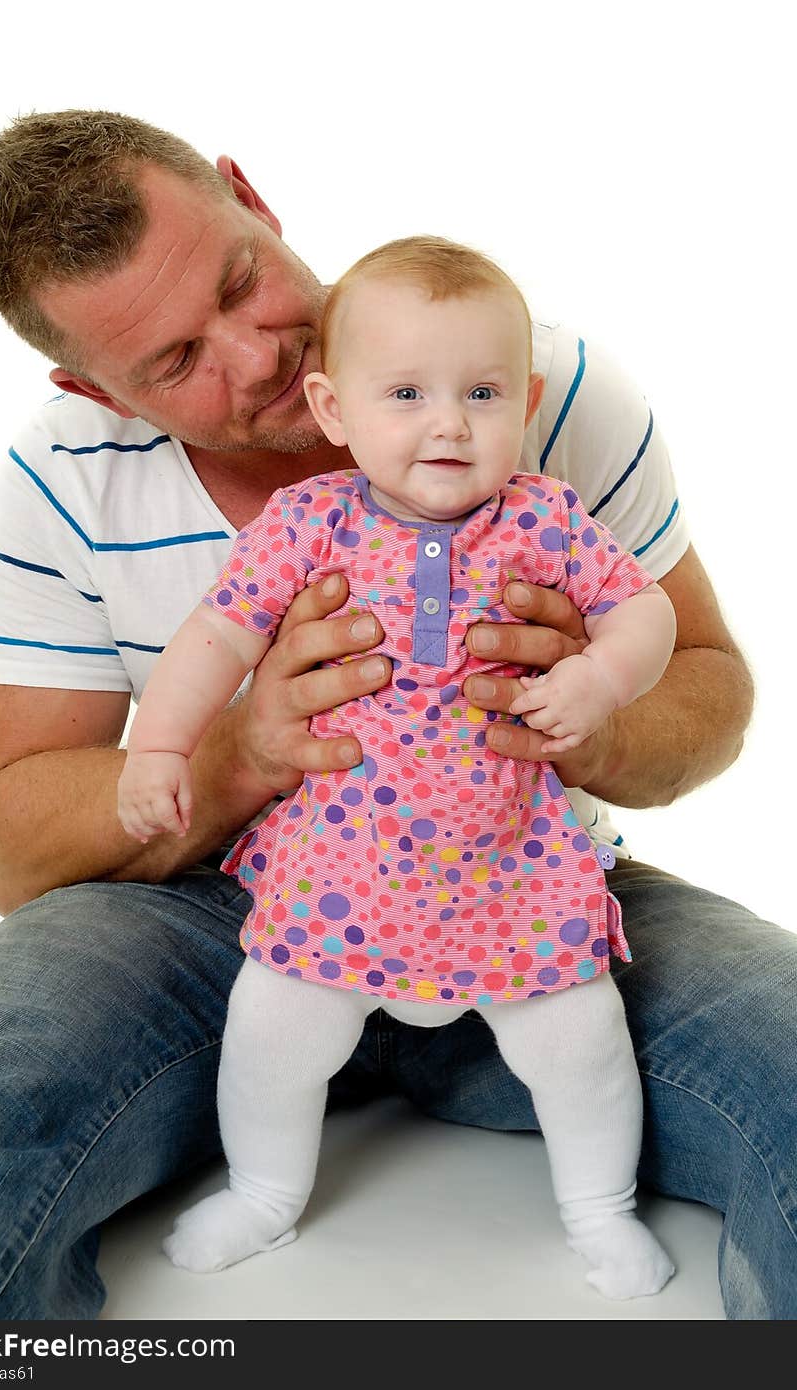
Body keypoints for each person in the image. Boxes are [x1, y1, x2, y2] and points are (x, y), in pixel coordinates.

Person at [0, 109, 788, 1321]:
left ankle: (601, 1213)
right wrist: (229, 754)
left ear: (250, 195)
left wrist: (594, 718)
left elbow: (706, 674)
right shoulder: (57, 482)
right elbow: (2, 838)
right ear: (90, 386)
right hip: (235, 897)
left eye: (240, 281)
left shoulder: (538, 389)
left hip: (526, 872)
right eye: (176, 363)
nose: (254, 353)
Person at [118, 235, 678, 1299]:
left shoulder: (544, 517)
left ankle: (597, 1209)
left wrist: (601, 679)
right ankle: (267, 1193)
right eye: (408, 392)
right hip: (345, 862)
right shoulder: (309, 523)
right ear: (335, 410)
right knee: (273, 1029)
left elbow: (643, 612)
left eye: (480, 391)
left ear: (528, 398)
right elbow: (217, 636)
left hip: (509, 861)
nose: (448, 423)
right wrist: (158, 745)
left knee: (581, 1039)